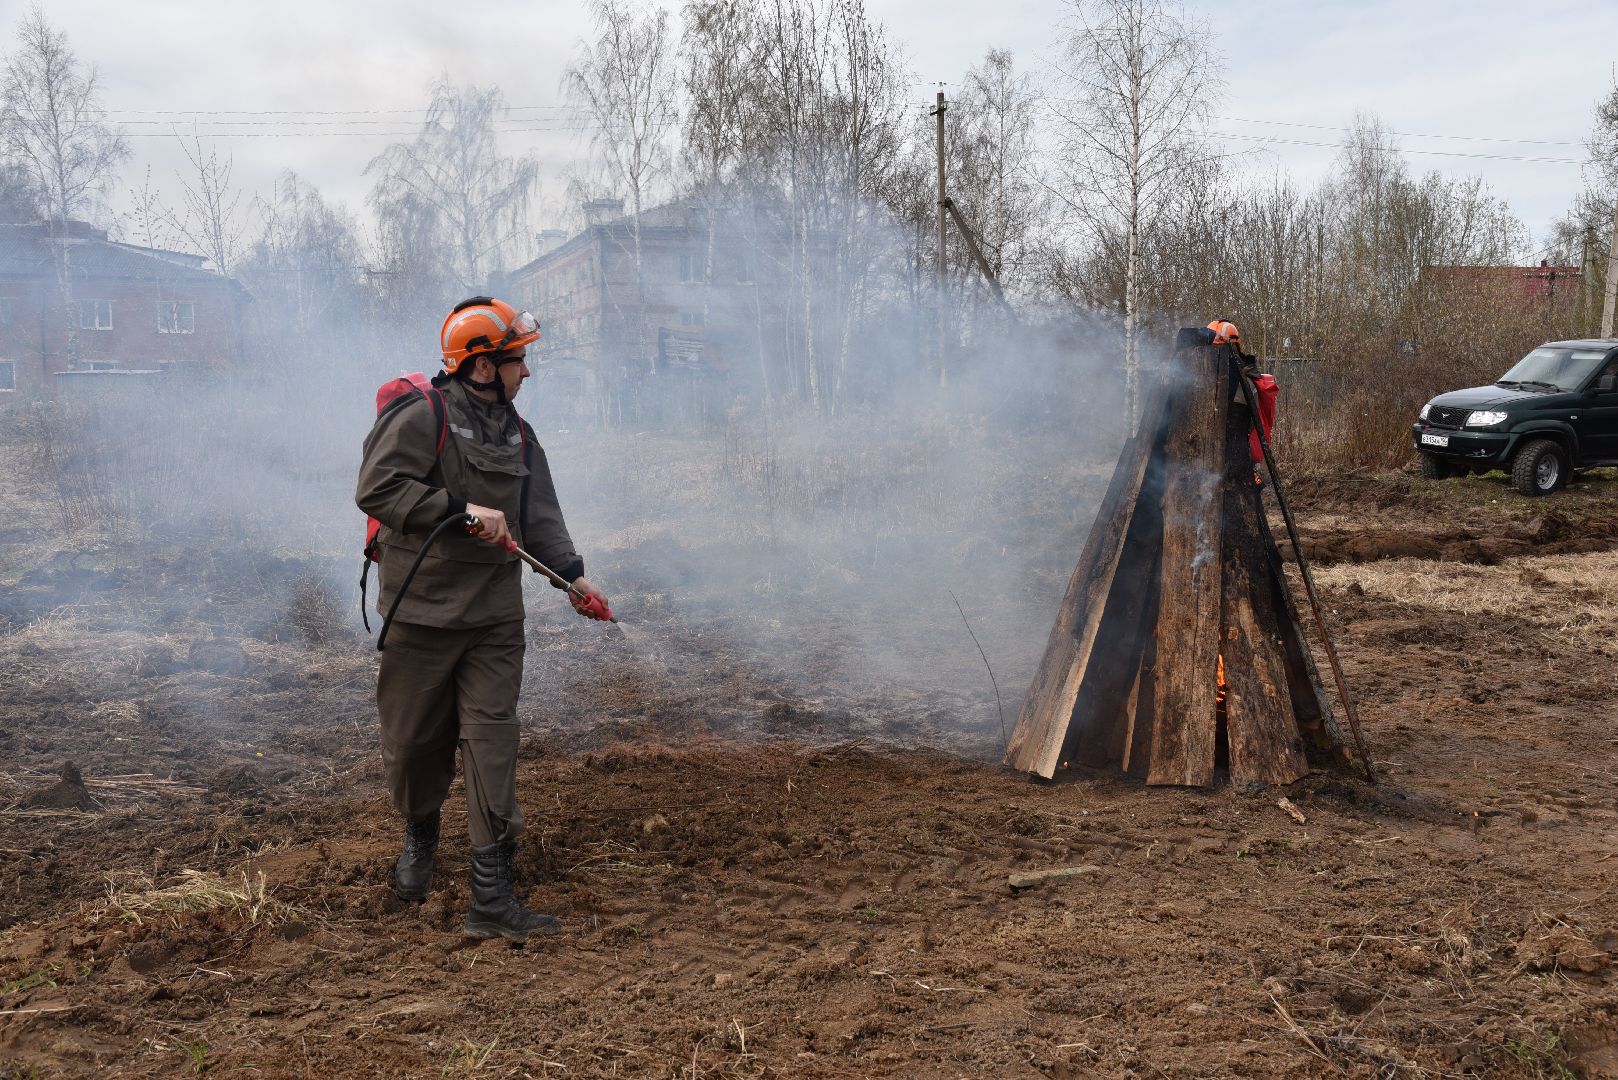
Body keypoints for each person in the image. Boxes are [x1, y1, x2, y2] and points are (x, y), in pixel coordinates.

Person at [355, 295, 609, 942]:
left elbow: (541, 521)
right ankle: (420, 829)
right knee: (414, 749)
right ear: (482, 365)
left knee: (493, 743)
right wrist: (461, 509)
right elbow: (376, 489)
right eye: (518, 360)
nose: (527, 372)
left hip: (495, 620)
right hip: (420, 615)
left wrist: (572, 577)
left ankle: (491, 897)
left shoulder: (521, 437)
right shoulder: (423, 417)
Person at [1207, 319, 1278, 477]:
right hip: (1233, 455)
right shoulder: (1245, 375)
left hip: (1231, 457)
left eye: (1214, 349)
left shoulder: (1239, 381)